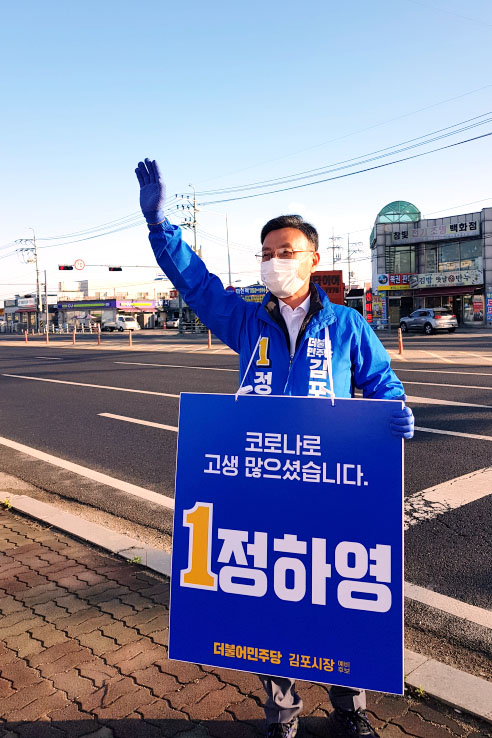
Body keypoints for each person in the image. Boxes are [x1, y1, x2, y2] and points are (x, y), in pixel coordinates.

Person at [135, 158, 414, 738]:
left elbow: (382, 384)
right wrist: (161, 226)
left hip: (328, 489)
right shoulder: (245, 322)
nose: (274, 261)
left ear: (313, 258)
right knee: (268, 606)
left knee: (335, 600)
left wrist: (394, 412)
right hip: (258, 489)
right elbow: (196, 283)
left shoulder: (348, 329)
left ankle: (350, 711)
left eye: (286, 251)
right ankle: (281, 717)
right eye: (267, 252)